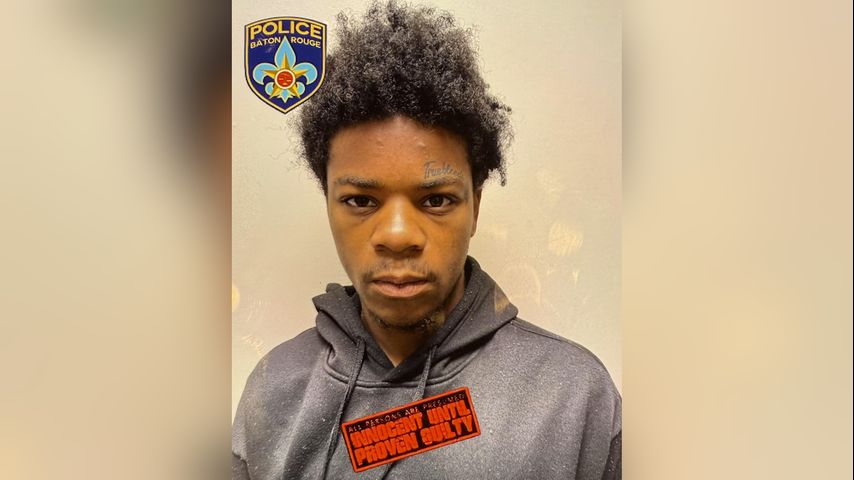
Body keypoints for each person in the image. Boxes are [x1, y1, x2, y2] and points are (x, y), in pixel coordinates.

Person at [232, 2, 621, 479]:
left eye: (436, 200)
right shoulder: (272, 393)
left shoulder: (575, 399)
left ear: (475, 207)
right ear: (328, 204)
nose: (398, 236)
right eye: (360, 200)